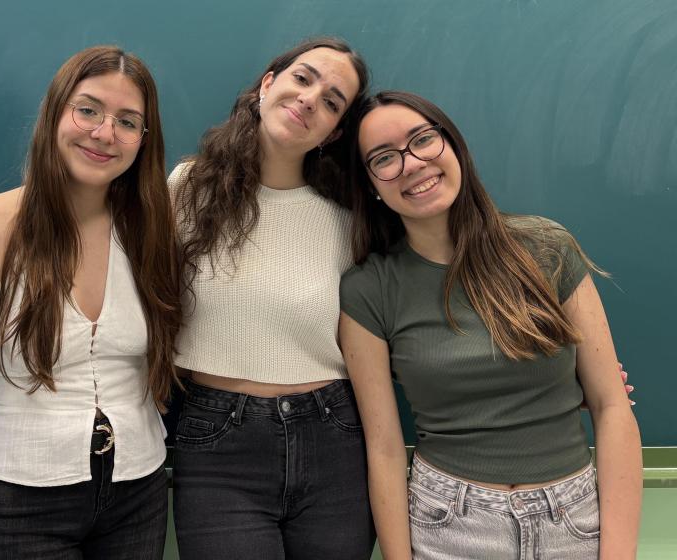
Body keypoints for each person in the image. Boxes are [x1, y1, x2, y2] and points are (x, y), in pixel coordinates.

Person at [339, 90, 642, 559]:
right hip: (448, 525)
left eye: (423, 140)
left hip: (574, 520)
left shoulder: (546, 248)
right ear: (372, 185)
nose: (413, 163)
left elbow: (612, 407)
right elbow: (383, 447)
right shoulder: (369, 289)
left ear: (454, 146)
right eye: (385, 158)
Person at [0, 46, 182, 559]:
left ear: (143, 139)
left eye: (128, 121)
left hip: (138, 490)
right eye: (88, 109)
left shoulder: (154, 231)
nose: (104, 133)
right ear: (55, 113)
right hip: (16, 494)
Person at [168, 37, 375, 559]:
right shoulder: (188, 188)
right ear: (267, 84)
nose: (310, 99)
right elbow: (137, 303)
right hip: (216, 441)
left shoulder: (350, 219)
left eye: (332, 101)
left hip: (336, 437)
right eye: (303, 79)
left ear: (336, 131)